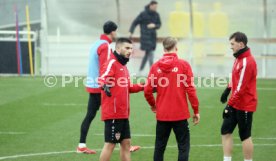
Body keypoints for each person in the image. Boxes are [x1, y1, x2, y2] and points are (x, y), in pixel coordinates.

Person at [77, 21, 140, 154]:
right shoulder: (105, 46)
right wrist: (104, 84)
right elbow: (105, 66)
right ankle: (124, 144)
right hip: (101, 86)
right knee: (115, 113)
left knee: (91, 115)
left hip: (93, 84)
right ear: (113, 32)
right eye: (116, 31)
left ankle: (82, 145)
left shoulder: (96, 43)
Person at [144, 37, 200, 161]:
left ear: (164, 48)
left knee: (159, 147)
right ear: (176, 48)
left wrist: (153, 105)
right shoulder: (183, 65)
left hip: (162, 114)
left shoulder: (155, 66)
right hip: (180, 114)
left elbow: (147, 91)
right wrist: (196, 111)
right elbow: (191, 90)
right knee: (183, 147)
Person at [98, 38, 144, 161]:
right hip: (113, 113)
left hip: (123, 113)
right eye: (127, 48)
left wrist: (145, 86)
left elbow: (129, 87)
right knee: (110, 144)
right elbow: (102, 77)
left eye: (131, 48)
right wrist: (104, 84)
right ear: (118, 48)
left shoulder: (123, 66)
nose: (130, 51)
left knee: (126, 143)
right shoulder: (112, 63)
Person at [220, 32, 257, 161]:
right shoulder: (238, 58)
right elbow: (235, 78)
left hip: (245, 104)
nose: (231, 46)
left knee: (245, 135)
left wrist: (229, 105)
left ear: (241, 44)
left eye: (232, 44)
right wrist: (227, 89)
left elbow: (241, 87)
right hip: (235, 103)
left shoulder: (247, 62)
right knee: (225, 131)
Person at [129, 0, 161, 73]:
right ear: (150, 5)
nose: (156, 8)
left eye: (156, 7)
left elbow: (159, 25)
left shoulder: (156, 14)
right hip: (145, 37)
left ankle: (141, 70)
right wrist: (131, 31)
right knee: (150, 53)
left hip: (153, 37)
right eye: (155, 6)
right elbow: (135, 22)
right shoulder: (143, 14)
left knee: (147, 53)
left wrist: (154, 25)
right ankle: (153, 71)